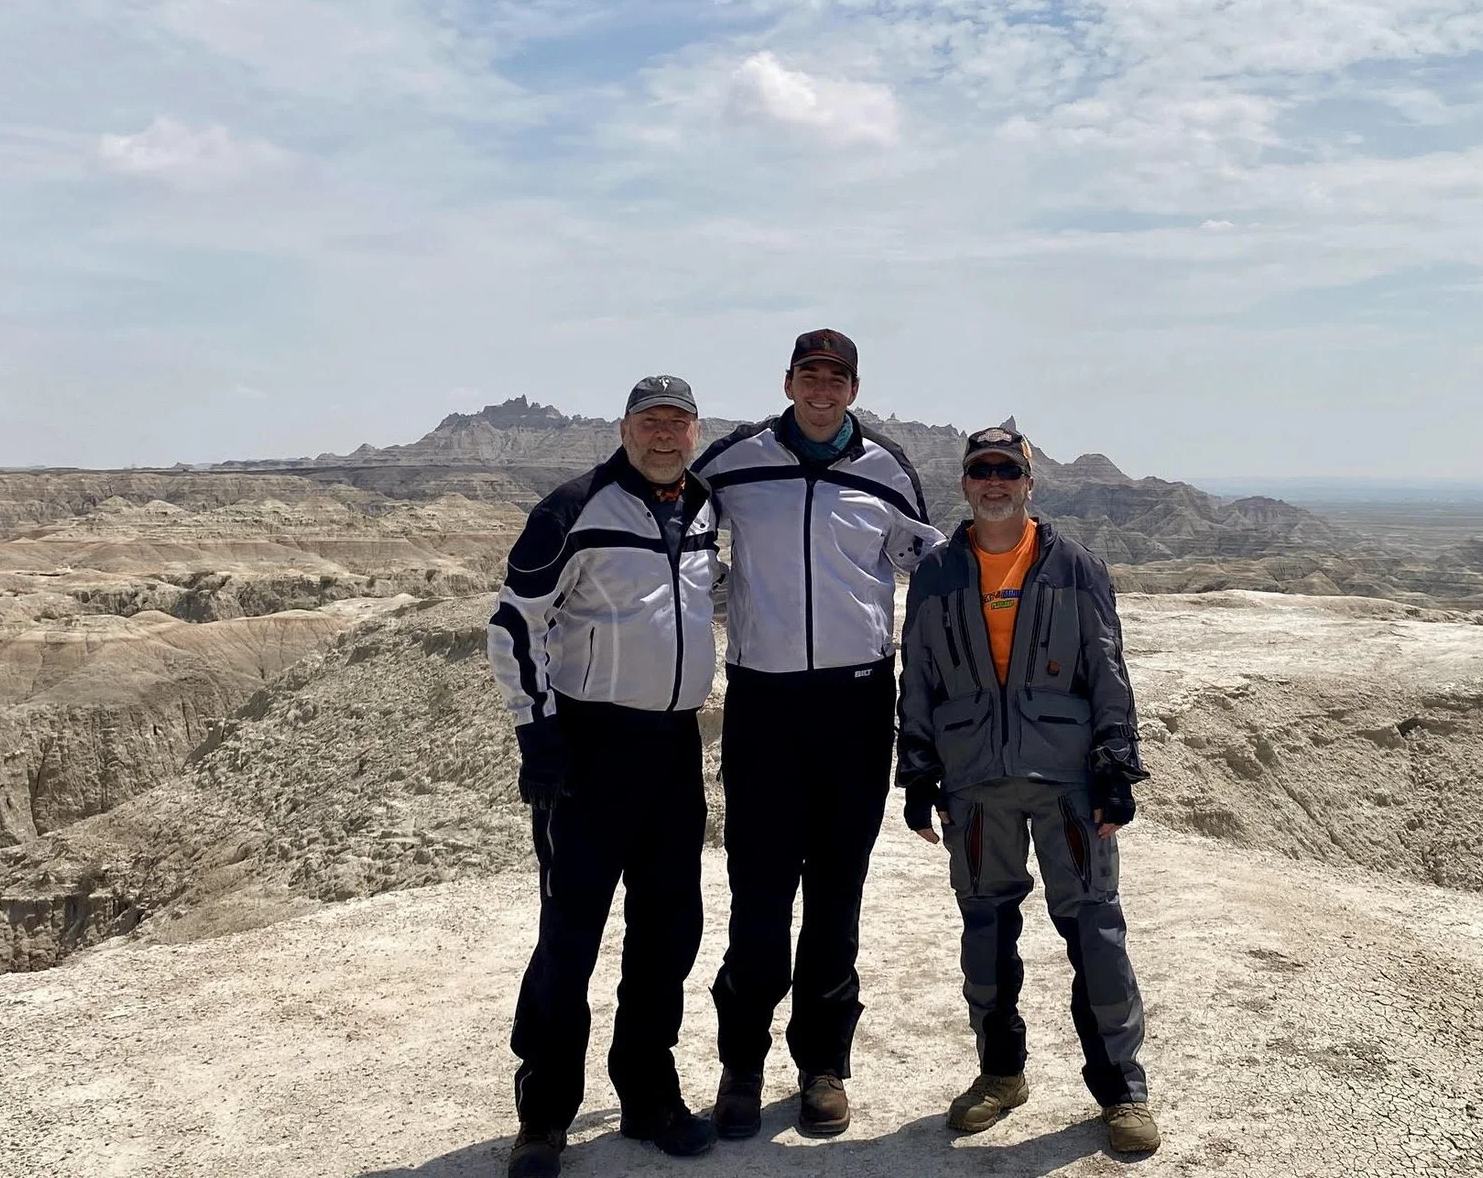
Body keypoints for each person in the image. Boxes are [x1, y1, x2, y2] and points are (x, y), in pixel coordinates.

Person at [691, 329, 945, 1138]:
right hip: (764, 705)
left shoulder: (885, 468)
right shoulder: (738, 460)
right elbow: (672, 515)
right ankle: (741, 1060)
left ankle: (823, 1064)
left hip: (857, 705)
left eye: (837, 379)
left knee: (837, 894)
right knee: (759, 895)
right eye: (810, 376)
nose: (823, 390)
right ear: (789, 380)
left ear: (854, 387)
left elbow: (929, 565)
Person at [895, 424, 1160, 1157]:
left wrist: (1116, 764)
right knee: (985, 939)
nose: (995, 482)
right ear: (966, 483)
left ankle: (1122, 1089)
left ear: (1029, 481)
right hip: (977, 783)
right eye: (982, 470)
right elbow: (916, 674)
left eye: (1007, 470)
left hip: (1067, 782)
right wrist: (917, 769)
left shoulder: (1073, 565)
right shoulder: (939, 571)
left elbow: (1108, 668)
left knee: (1095, 935)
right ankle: (1000, 1073)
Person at [484, 376, 723, 1178]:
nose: (664, 436)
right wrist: (539, 733)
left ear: (695, 432)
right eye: (650, 422)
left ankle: (649, 1093)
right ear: (624, 427)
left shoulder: (704, 508)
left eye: (678, 423)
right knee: (571, 933)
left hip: (673, 749)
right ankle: (544, 1112)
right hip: (589, 748)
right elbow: (516, 622)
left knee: (667, 929)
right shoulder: (573, 507)